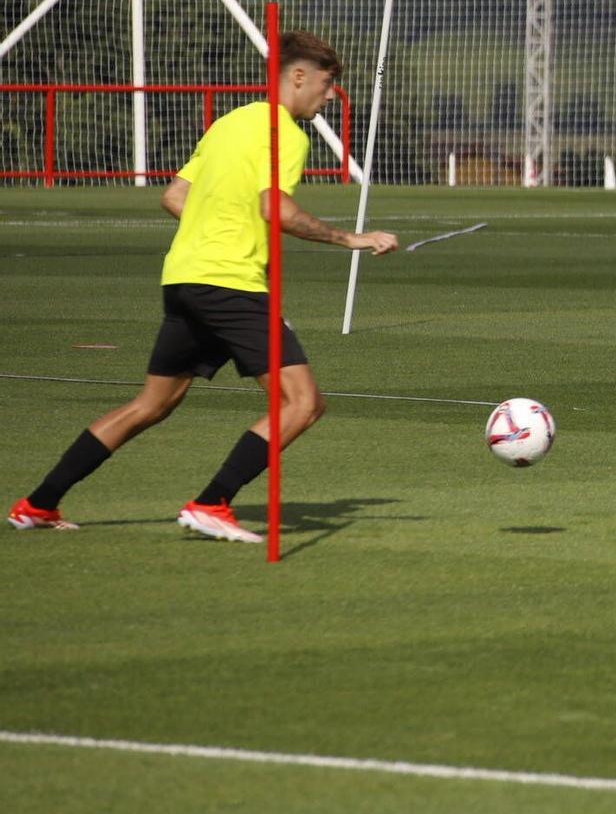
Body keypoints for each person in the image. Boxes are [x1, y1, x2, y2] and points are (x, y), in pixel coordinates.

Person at [8, 32, 399, 542]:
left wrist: (219, 224)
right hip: (230, 283)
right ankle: (211, 503)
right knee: (302, 403)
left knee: (151, 405)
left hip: (185, 278)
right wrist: (354, 238)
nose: (330, 97)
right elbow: (274, 210)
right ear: (297, 77)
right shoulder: (287, 135)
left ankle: (37, 504)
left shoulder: (230, 123)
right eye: (327, 85)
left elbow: (175, 196)